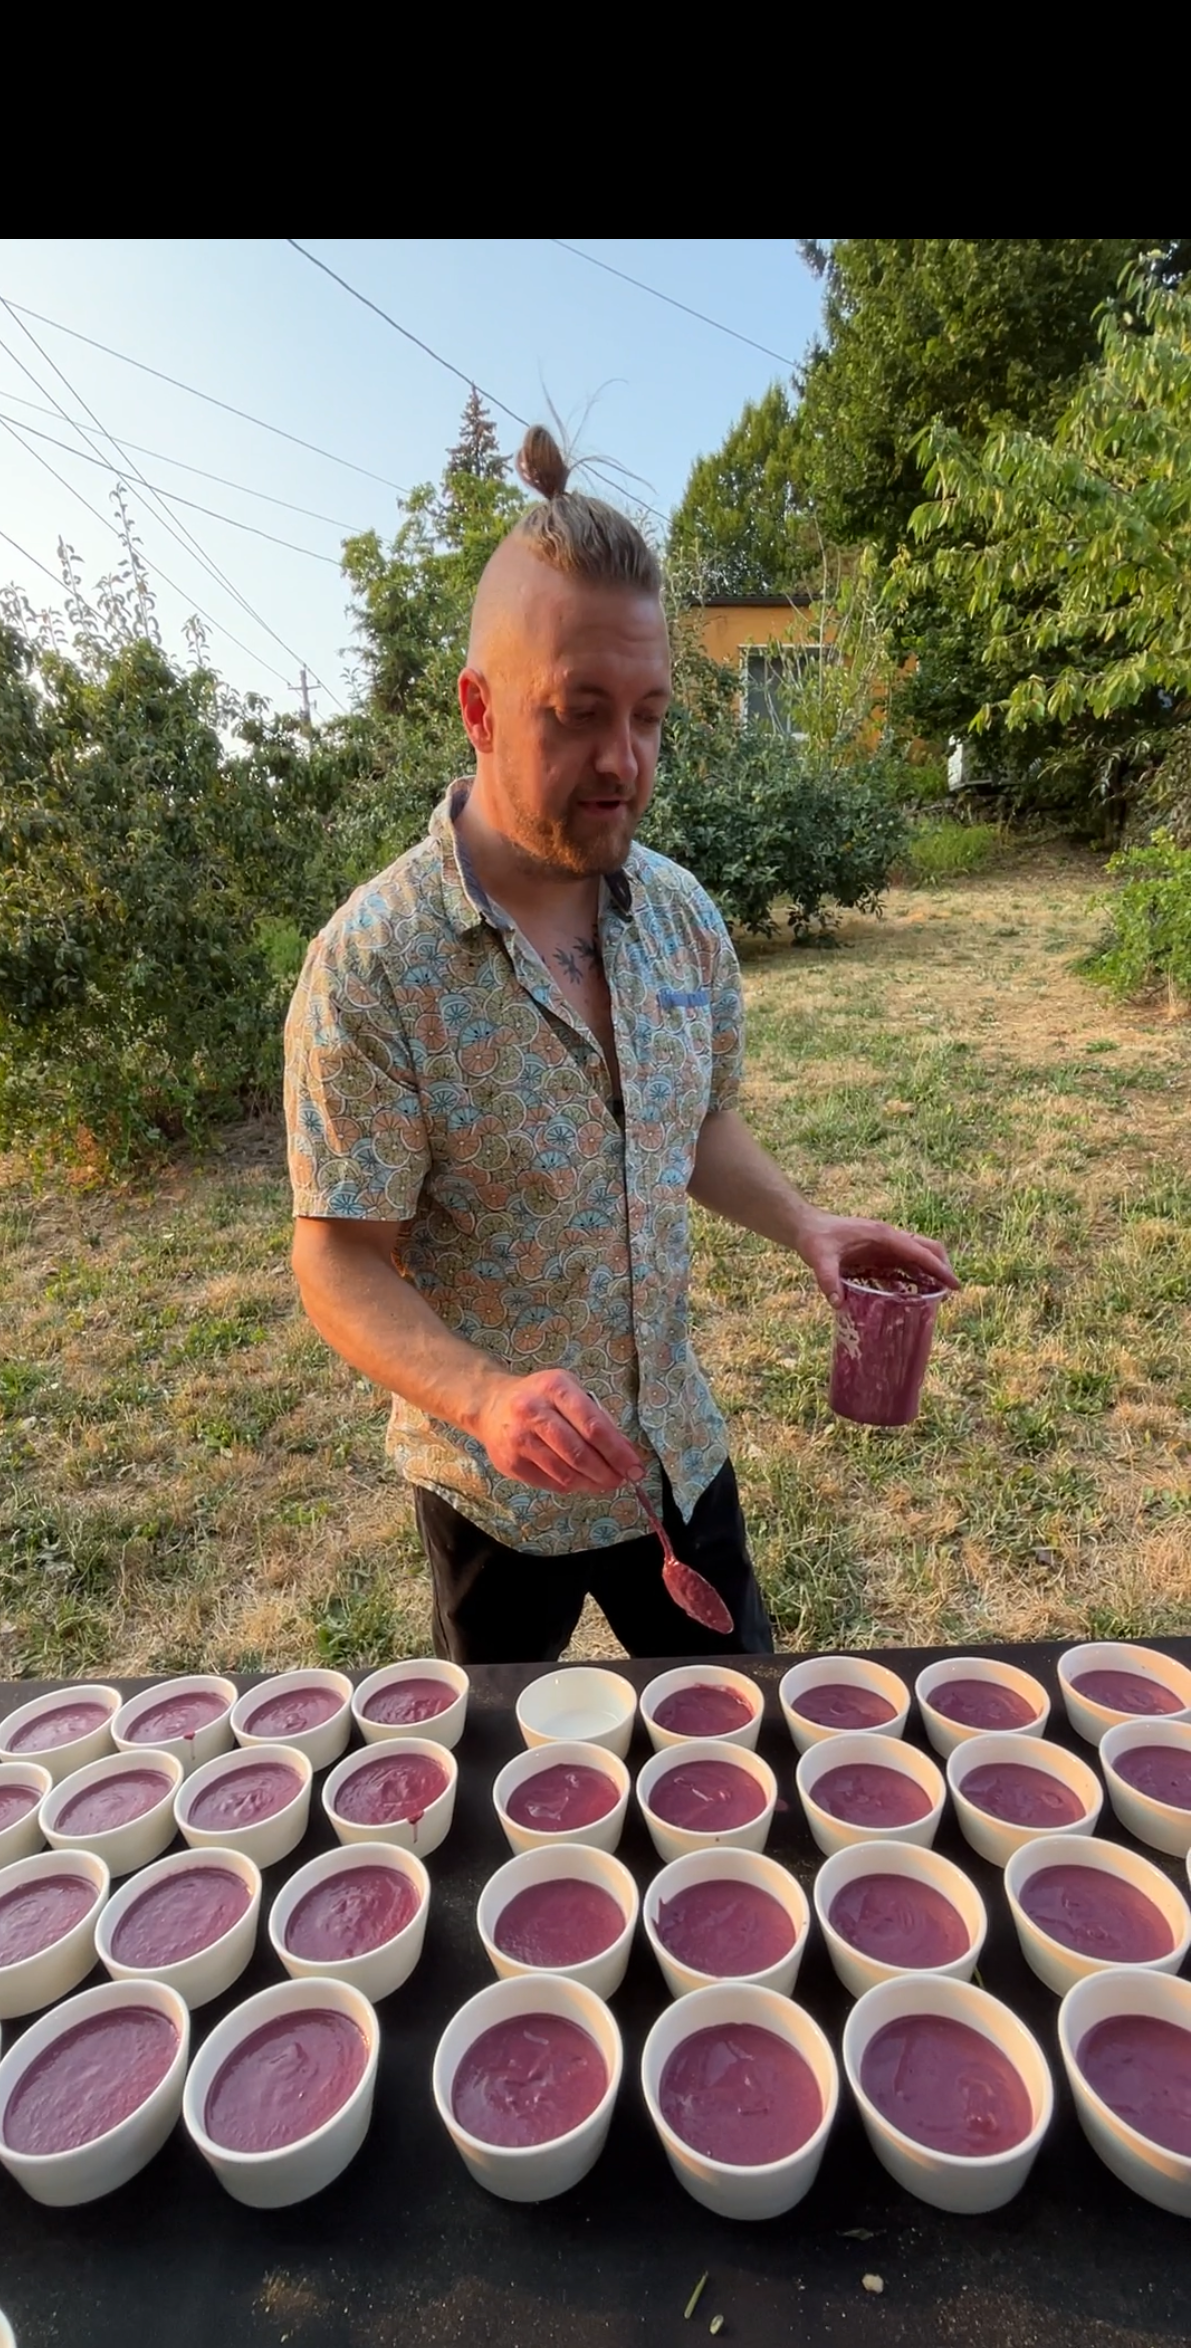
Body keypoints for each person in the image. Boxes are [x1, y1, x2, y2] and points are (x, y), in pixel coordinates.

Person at [284, 428, 957, 1667]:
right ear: (480, 709)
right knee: (506, 1799)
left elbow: (694, 1124)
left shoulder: (684, 919)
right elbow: (339, 1258)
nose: (625, 760)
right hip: (497, 1492)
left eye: (649, 715)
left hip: (676, 1453)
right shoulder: (375, 965)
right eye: (579, 713)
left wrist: (806, 1225)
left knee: (739, 1742)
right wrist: (486, 1398)